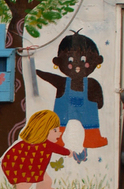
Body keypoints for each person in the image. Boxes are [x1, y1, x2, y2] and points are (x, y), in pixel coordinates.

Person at [36, 31, 106, 163]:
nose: (77, 65)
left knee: (90, 124)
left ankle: (92, 140)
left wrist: (98, 101)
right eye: (71, 61)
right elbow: (48, 76)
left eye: (83, 60)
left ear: (96, 61)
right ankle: (59, 141)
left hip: (86, 111)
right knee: (59, 124)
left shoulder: (91, 84)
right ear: (58, 62)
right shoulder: (62, 82)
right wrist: (34, 70)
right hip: (65, 111)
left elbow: (98, 97)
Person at [1, 110, 73, 189]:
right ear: (43, 129)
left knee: (45, 180)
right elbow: (59, 149)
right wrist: (69, 152)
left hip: (20, 166)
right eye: (55, 130)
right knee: (28, 183)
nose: (59, 132)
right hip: (26, 169)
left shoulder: (26, 143)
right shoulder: (46, 144)